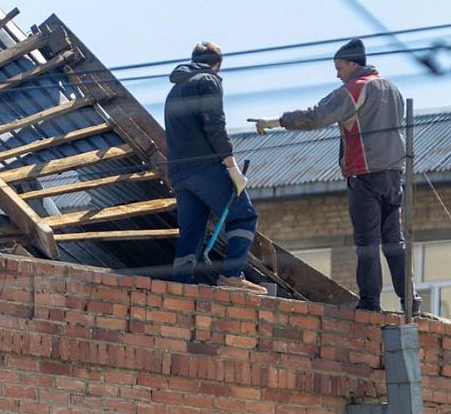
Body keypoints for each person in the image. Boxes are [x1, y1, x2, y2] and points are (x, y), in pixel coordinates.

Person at [249, 39, 421, 312]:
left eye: (339, 67)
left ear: (353, 65)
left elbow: (317, 116)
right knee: (394, 241)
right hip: (393, 174)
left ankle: (370, 302)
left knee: (367, 242)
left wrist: (278, 121)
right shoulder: (392, 89)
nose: (337, 74)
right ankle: (410, 299)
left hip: (364, 176)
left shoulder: (355, 89)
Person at [165, 42, 266, 295]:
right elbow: (215, 126)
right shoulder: (209, 81)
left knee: (192, 229)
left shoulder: (175, 89)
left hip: (179, 173)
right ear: (218, 63)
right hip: (204, 167)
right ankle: (232, 275)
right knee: (244, 214)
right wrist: (231, 167)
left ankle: (181, 281)